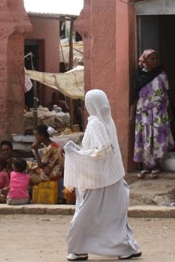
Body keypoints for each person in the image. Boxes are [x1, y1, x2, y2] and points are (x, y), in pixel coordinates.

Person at [64, 89, 141, 260]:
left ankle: (77, 248)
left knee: (85, 215)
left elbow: (105, 150)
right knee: (114, 218)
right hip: (110, 178)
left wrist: (76, 153)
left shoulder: (95, 124)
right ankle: (125, 248)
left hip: (98, 180)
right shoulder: (107, 121)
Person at [131, 49, 174, 179]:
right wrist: (131, 113)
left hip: (158, 111)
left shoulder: (161, 75)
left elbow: (167, 94)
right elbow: (134, 96)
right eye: (152, 59)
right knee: (144, 137)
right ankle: (146, 167)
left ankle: (155, 166)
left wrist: (170, 111)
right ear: (145, 60)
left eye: (156, 59)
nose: (155, 61)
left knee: (157, 137)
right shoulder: (139, 76)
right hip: (143, 113)